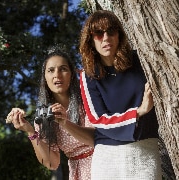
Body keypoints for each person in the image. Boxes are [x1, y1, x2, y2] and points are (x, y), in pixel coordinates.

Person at [56, 10, 162, 179]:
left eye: (111, 31)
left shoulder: (142, 61)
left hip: (145, 149)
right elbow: (99, 119)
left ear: (119, 35)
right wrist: (139, 111)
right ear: (90, 40)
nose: (106, 38)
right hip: (108, 155)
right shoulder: (87, 76)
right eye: (98, 33)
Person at [5, 46, 94, 180]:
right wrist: (30, 131)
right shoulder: (44, 117)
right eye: (51, 70)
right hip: (79, 173)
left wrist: (65, 122)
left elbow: (96, 139)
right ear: (45, 77)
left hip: (103, 162)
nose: (57, 75)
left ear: (71, 74)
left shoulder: (88, 99)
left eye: (63, 69)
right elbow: (52, 163)